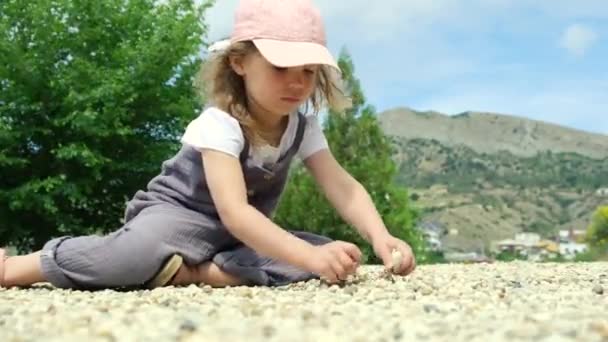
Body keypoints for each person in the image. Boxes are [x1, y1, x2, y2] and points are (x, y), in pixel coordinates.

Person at [0, 0, 416, 290]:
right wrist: (306, 259)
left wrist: (380, 237)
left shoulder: (302, 127)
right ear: (239, 63)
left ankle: (196, 273)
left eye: (308, 71)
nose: (297, 82)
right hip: (176, 217)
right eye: (280, 67)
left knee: (333, 254)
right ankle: (18, 266)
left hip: (237, 235)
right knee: (131, 255)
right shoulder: (220, 124)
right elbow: (234, 212)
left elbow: (342, 187)